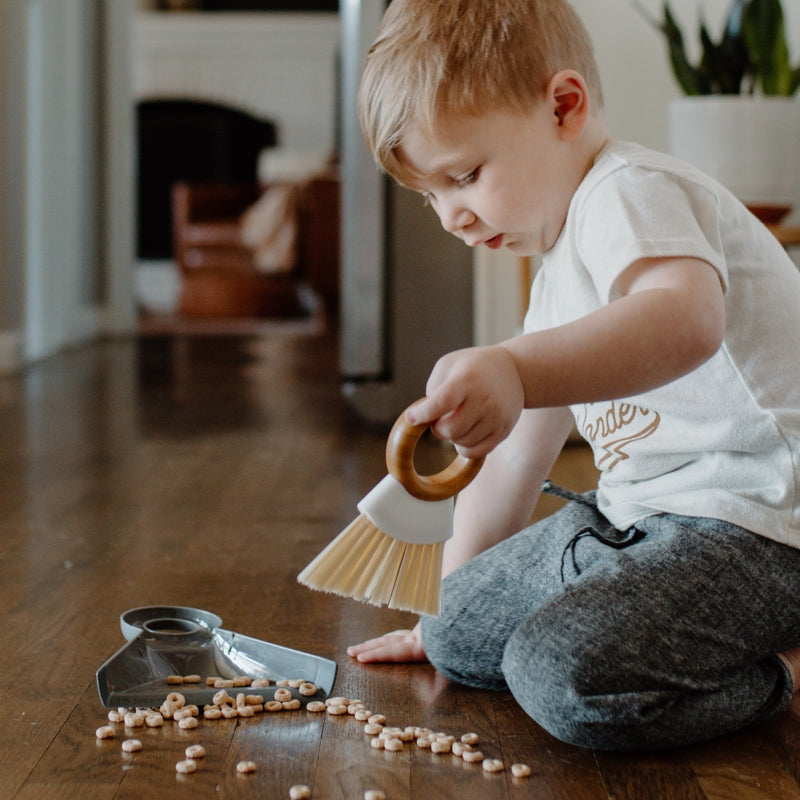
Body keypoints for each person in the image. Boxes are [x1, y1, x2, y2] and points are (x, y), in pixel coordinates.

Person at [346, 0, 800, 751]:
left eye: (465, 174)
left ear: (563, 106)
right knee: (455, 634)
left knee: (563, 678)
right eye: (431, 195)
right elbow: (519, 455)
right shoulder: (558, 273)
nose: (451, 216)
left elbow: (688, 320)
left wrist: (517, 369)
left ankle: (779, 665)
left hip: (758, 524)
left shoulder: (632, 190)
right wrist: (445, 613)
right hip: (643, 522)